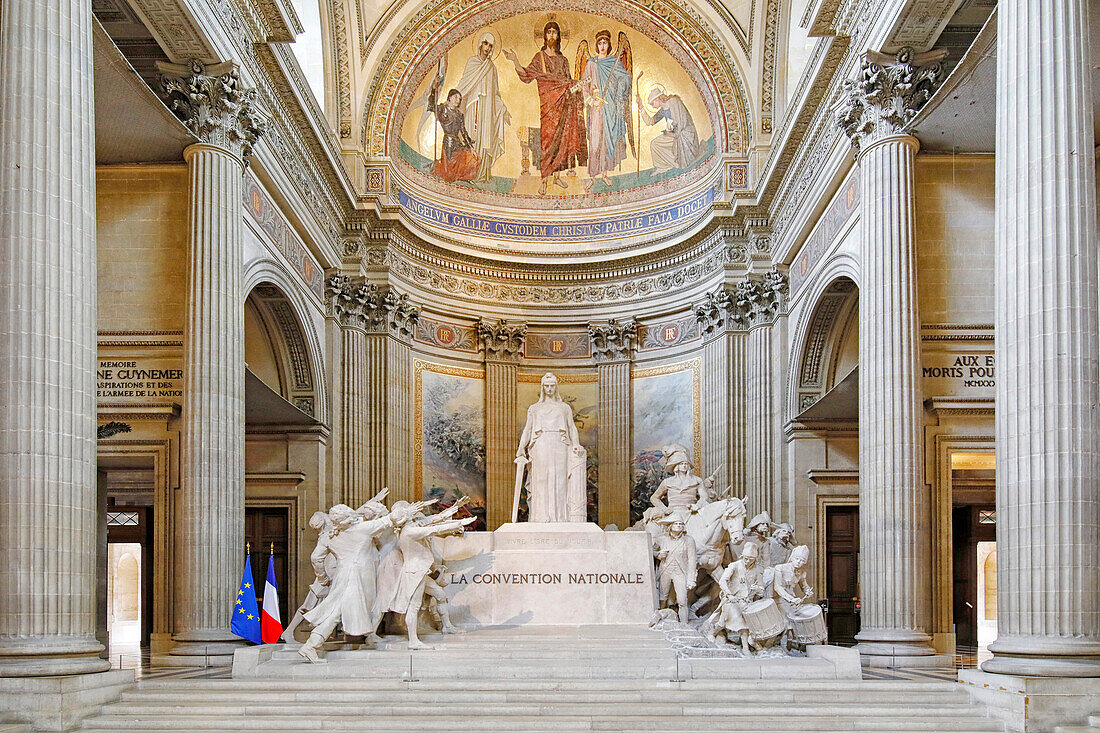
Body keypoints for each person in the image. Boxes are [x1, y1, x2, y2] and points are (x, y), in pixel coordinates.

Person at [297, 503, 394, 663]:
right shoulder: (362, 529)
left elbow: (316, 558)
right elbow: (390, 519)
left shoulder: (329, 535)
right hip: (356, 578)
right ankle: (310, 646)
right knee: (336, 612)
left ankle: (312, 644)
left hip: (342, 576)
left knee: (336, 611)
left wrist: (323, 578)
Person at [374, 500, 475, 649]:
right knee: (414, 606)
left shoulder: (411, 527)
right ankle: (413, 641)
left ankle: (446, 626)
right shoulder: (409, 531)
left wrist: (454, 509)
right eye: (410, 510)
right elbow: (433, 530)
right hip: (415, 572)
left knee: (439, 594)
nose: (414, 512)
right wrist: (460, 523)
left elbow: (432, 520)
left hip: (420, 570)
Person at [504, 21, 588, 194]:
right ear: (544, 36)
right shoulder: (539, 57)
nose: (551, 36)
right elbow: (526, 75)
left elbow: (568, 82)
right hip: (548, 108)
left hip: (564, 106)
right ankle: (544, 179)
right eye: (548, 32)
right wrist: (515, 61)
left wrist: (577, 87)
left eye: (554, 33)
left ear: (558, 36)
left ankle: (556, 178)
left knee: (562, 143)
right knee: (547, 143)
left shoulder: (563, 60)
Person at [515, 372, 587, 522]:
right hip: (540, 445)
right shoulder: (534, 408)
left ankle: (560, 517)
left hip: (560, 445)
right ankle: (540, 516)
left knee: (560, 480)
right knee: (541, 480)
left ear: (556, 387)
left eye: (552, 386)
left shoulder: (564, 407)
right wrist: (521, 448)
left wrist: (576, 444)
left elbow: (571, 427)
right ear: (542, 388)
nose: (549, 389)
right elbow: (528, 430)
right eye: (546, 386)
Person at [577, 30, 632, 190]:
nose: (602, 46)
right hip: (596, 108)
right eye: (600, 43)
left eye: (605, 43)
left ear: (609, 44)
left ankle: (605, 174)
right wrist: (591, 100)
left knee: (607, 140)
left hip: (610, 107)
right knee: (595, 141)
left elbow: (625, 78)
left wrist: (621, 84)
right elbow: (583, 85)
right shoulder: (591, 63)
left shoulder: (614, 62)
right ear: (597, 45)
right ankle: (592, 176)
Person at [456, 32, 511, 182]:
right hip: (472, 107)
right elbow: (464, 84)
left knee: (485, 139)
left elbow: (495, 93)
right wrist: (454, 103)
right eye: (486, 43)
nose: (487, 48)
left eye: (491, 46)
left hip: (487, 111)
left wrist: (503, 110)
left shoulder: (492, 68)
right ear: (480, 44)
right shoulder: (472, 62)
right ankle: (467, 172)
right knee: (470, 137)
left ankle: (481, 175)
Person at [708, 541, 766, 654]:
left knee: (745, 623)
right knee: (723, 620)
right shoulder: (734, 566)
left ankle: (745, 647)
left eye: (750, 559)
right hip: (731, 599)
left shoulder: (758, 570)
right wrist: (729, 594)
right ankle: (712, 632)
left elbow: (761, 590)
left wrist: (757, 589)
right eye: (746, 558)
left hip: (746, 601)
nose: (747, 561)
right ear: (742, 556)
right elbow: (723, 581)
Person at [636, 87, 701, 173]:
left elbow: (681, 122)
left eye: (652, 103)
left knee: (678, 140)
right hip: (675, 134)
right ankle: (663, 167)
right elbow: (650, 122)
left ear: (658, 98)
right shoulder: (662, 110)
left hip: (685, 133)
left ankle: (680, 162)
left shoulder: (674, 101)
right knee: (655, 144)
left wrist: (671, 133)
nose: (652, 106)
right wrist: (641, 107)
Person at [427, 84, 480, 183]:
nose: (458, 100)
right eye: (456, 97)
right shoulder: (442, 109)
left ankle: (463, 177)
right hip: (448, 141)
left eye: (459, 99)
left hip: (457, 142)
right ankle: (440, 168)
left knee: (472, 158)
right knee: (449, 168)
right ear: (450, 98)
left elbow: (463, 132)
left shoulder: (460, 115)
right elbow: (431, 106)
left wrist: (471, 147)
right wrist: (433, 90)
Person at [648, 445, 714, 520]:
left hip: (692, 512)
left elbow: (704, 496)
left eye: (686, 464)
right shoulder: (667, 482)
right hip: (673, 512)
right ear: (676, 465)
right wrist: (664, 509)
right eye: (681, 464)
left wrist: (698, 505)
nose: (684, 466)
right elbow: (654, 498)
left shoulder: (697, 480)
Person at [654, 516, 697, 623]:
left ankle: (684, 624)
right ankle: (661, 620)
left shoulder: (688, 540)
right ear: (670, 526)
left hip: (680, 572)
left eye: (681, 524)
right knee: (662, 597)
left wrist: (691, 579)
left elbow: (692, 560)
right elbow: (649, 550)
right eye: (676, 523)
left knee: (682, 600)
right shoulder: (661, 538)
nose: (679, 526)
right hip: (665, 571)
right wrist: (658, 554)